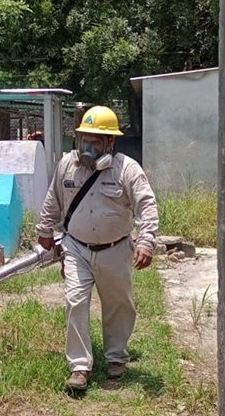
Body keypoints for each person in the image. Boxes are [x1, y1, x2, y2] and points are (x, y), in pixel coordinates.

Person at [36, 105, 158, 391]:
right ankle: (79, 366)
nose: (88, 147)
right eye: (85, 140)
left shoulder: (127, 169)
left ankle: (116, 356)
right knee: (75, 301)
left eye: (96, 141)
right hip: (76, 247)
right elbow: (53, 199)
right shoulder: (67, 165)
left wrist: (147, 240)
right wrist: (44, 230)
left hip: (115, 249)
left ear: (110, 143)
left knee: (118, 305)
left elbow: (147, 206)